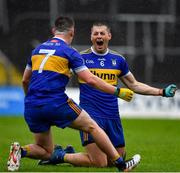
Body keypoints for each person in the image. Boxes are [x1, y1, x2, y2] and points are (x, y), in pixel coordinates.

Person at [7, 16, 141, 172]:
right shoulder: (70, 52)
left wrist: (30, 99)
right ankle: (122, 165)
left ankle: (20, 151)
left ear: (53, 31)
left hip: (32, 105)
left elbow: (25, 80)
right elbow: (90, 79)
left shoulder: (37, 50)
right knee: (92, 127)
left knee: (46, 152)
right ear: (72, 32)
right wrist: (117, 91)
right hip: (56, 103)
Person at [38, 22, 177, 168]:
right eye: (95, 33)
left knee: (114, 161)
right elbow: (61, 77)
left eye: (102, 33)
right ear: (91, 37)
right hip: (91, 115)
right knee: (100, 162)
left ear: (109, 36)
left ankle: (67, 153)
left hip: (112, 116)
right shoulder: (80, 58)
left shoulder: (118, 60)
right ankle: (60, 156)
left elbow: (134, 84)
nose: (99, 36)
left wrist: (161, 92)